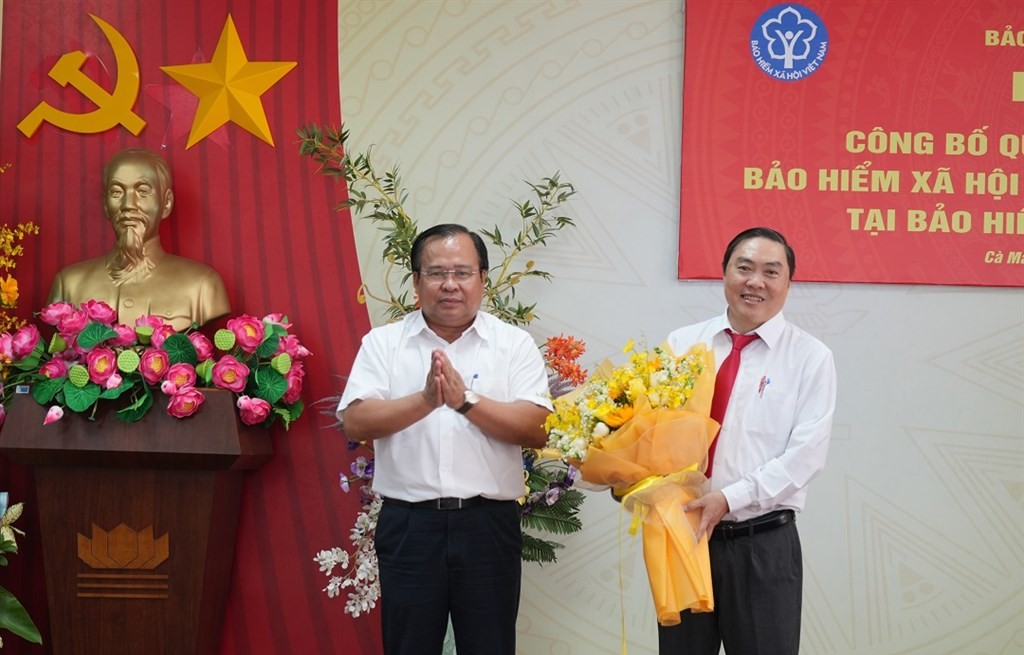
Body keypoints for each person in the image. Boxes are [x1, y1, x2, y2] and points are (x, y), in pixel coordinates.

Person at [336, 223, 552, 655]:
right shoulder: (383, 344)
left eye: (462, 272)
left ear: (482, 279)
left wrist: (464, 401)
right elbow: (355, 422)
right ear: (416, 282)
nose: (449, 284)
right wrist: (426, 400)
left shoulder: (513, 344)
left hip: (488, 525)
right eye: (435, 273)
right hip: (409, 526)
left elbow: (536, 428)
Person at [660, 227, 837, 655]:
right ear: (724, 273)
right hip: (686, 539)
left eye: (770, 272)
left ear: (788, 284)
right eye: (744, 268)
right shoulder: (683, 344)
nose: (755, 281)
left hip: (763, 545)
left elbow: (805, 457)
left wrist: (730, 498)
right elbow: (652, 430)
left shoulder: (811, 358)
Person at [48, 148, 230, 330]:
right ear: (105, 205)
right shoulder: (69, 285)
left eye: (142, 192)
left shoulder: (202, 285)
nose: (128, 205)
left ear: (166, 203)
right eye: (117, 192)